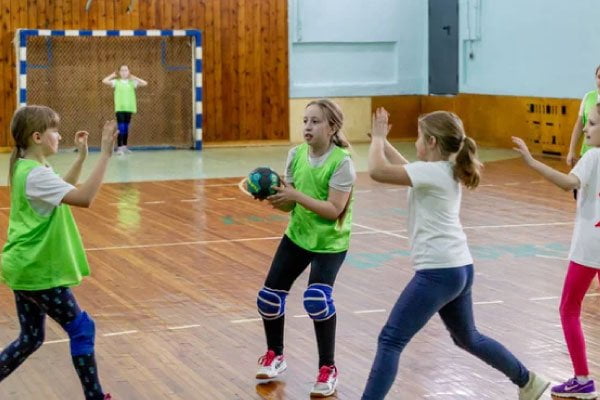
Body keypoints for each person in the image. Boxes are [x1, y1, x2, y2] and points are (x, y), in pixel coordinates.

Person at [360, 108, 549, 400]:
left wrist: (379, 140)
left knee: (390, 340)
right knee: (467, 337)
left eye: (420, 137)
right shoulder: (444, 170)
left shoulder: (432, 172)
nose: (417, 143)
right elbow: (408, 167)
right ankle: (528, 382)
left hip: (438, 273)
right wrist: (383, 143)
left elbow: (377, 171)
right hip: (460, 268)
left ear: (433, 142)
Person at [0, 105, 118, 400]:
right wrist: (105, 154)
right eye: (54, 130)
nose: (59, 135)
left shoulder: (29, 168)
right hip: (38, 271)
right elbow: (84, 198)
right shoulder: (36, 175)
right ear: (37, 137)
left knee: (31, 338)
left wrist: (82, 157)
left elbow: (61, 189)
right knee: (82, 329)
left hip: (23, 267)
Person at [255, 99, 356, 397]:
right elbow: (289, 204)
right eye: (305, 121)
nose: (307, 127)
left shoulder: (342, 162)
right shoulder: (295, 154)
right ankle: (275, 355)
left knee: (317, 299)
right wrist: (274, 197)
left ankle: (328, 369)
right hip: (298, 236)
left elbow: (333, 210)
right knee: (268, 299)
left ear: (332, 127)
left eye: (315, 122)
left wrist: (296, 195)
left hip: (330, 243)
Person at [512, 103, 600, 399]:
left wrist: (531, 162)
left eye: (593, 124)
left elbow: (567, 183)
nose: (586, 129)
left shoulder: (593, 157)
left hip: (589, 248)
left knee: (569, 308)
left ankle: (583, 379)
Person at [102, 65, 147, 155]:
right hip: (120, 108)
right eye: (122, 70)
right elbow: (104, 81)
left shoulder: (132, 82)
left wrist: (135, 77)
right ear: (119, 72)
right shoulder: (116, 82)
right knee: (121, 127)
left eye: (126, 70)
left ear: (128, 72)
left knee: (126, 128)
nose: (124, 72)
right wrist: (112, 75)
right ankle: (119, 148)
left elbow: (144, 83)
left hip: (129, 108)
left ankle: (124, 147)